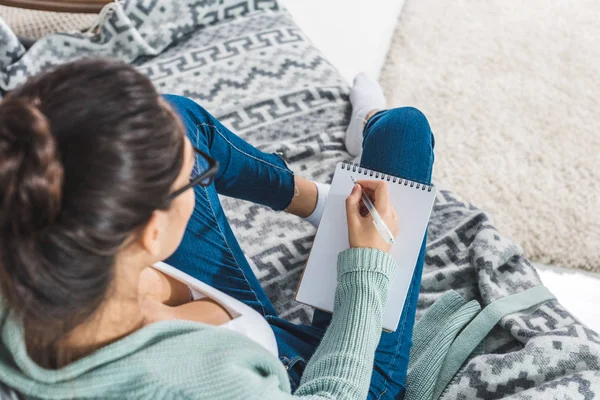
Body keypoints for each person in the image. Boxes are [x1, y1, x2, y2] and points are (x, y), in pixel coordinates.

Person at [0, 59, 434, 399]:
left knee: (174, 120)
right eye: (190, 178)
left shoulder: (22, 242)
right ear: (150, 232)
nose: (195, 176)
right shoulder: (188, 384)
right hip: (317, 379)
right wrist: (368, 266)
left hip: (233, 334)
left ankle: (323, 204)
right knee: (404, 130)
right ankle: (362, 152)